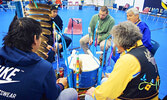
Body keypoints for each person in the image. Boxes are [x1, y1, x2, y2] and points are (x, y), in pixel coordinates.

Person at [0, 16, 78, 100]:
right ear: (34, 39)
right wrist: (61, 85)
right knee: (71, 92)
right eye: (40, 36)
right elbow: (52, 96)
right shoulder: (44, 68)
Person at [85, 21, 160, 100]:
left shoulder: (127, 60)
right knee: (104, 80)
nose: (116, 45)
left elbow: (108, 92)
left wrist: (94, 93)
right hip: (149, 95)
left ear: (121, 42)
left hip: (133, 97)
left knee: (89, 96)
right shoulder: (144, 49)